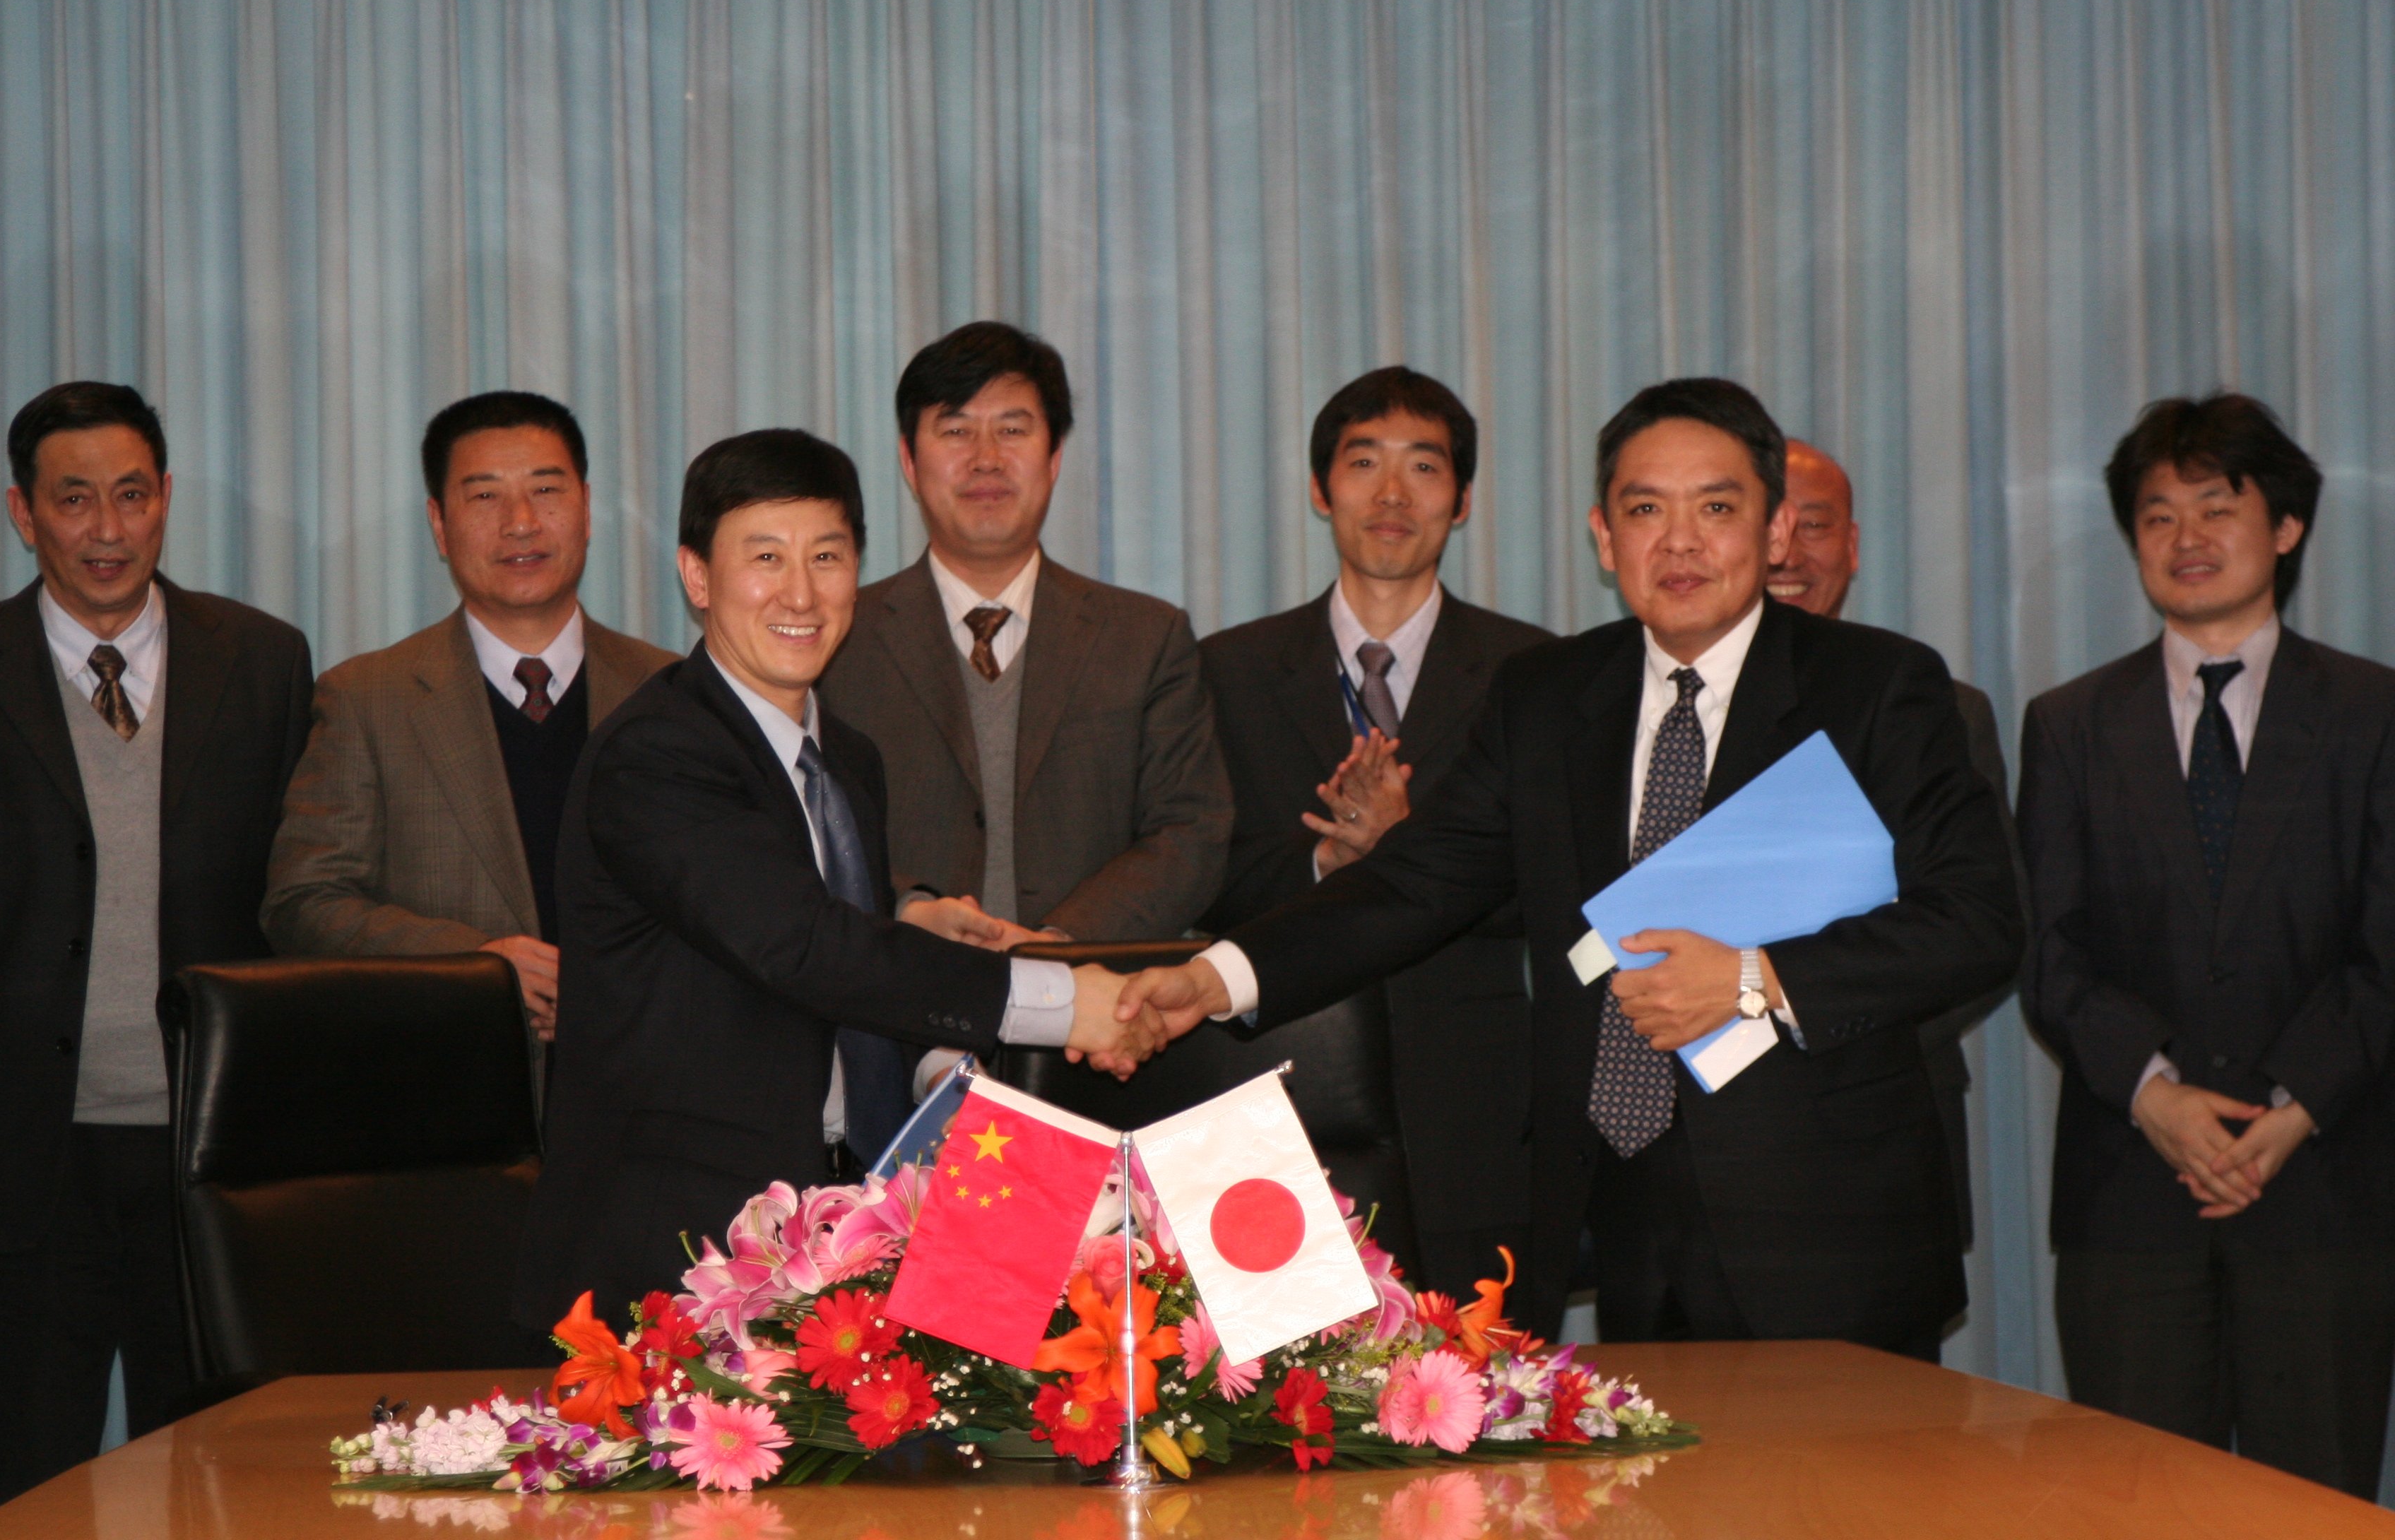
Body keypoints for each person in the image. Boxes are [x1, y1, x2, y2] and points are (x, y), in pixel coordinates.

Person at [1120, 377, 2021, 1356]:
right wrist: (1215, 978)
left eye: (1716, 509)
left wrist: (1755, 978)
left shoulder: (1878, 686)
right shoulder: (1548, 695)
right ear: (1603, 537)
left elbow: (1976, 921)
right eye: (1646, 511)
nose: (1679, 543)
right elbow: (1413, 883)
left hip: (1824, 1224)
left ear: (1772, 532)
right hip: (1622, 1211)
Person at [514, 430, 1161, 1325]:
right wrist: (1059, 1001)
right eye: (765, 558)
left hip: (839, 1228)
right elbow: (805, 947)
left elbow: (843, 980)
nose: (801, 593)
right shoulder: (658, 752)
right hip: (678, 1255)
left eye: (827, 556)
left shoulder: (846, 757)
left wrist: (939, 1065)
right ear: (697, 577)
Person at [2018, 394, 2395, 1497]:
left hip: (2326, 1186)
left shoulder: (2375, 712)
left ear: (2286, 526)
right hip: (2130, 1195)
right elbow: (2047, 947)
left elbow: (2389, 943)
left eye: (2217, 508)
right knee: (2132, 1505)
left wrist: (2292, 1108)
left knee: (2313, 1504)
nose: (2185, 537)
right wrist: (2157, 1097)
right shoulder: (2070, 723)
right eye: (2157, 515)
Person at [0, 382, 313, 1516]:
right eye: (73, 500)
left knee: (219, 1492)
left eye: (130, 495)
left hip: (209, 1162)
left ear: (165, 498)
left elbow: (294, 907)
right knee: (25, 1492)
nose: (106, 530)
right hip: (16, 1165)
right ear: (23, 512)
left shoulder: (264, 659)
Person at [817, 321, 1231, 1147]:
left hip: (1108, 1046)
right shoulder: (835, 638)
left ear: (1054, 456)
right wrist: (912, 908)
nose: (986, 458)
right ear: (908, 461)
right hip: (901, 1050)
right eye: (955, 431)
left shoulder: (1144, 636)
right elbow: (813, 830)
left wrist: (1056, 951)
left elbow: (1191, 833)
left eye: (1012, 429)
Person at [1185, 367, 1550, 1298]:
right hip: (1275, 1100)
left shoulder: (1536, 673)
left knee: (1485, 1371)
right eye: (1363, 464)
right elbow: (1196, 873)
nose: (1392, 494)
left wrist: (1410, 851)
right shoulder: (1225, 669)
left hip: (1477, 1105)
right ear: (1321, 489)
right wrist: (1326, 861)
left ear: (1462, 500)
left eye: (1424, 467)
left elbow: (1560, 885)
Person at [263, 392, 674, 1058]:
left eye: (546, 490)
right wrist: (474, 963)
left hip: (645, 1075)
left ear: (587, 507)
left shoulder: (670, 691)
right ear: (439, 524)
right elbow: (303, 902)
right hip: (453, 1081)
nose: (521, 523)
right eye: (485, 497)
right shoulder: (367, 699)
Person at [1766, 438, 2021, 1253]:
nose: (1788, 553)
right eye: (1770, 524)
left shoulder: (1939, 707)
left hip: (1893, 1104)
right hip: (1695, 1130)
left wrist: (1845, 1036)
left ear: (1852, 546)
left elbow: (1989, 923)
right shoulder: (1666, 709)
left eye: (1815, 526)